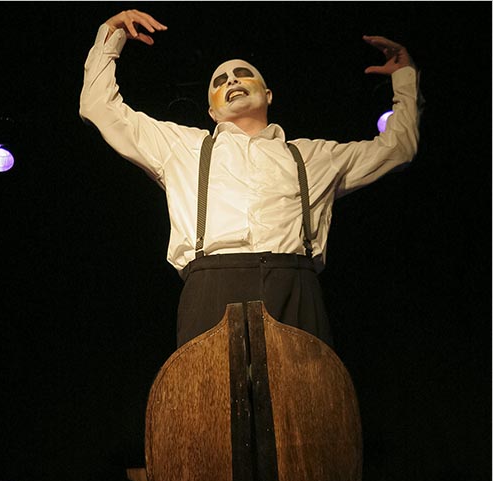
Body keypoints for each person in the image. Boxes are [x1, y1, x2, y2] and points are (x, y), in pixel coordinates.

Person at [80, 9, 422, 349]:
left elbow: (397, 149)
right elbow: (99, 108)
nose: (231, 81)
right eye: (220, 81)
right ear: (212, 112)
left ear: (268, 95)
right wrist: (112, 33)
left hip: (295, 288)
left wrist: (405, 79)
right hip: (211, 288)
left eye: (242, 74)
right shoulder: (182, 148)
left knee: (306, 386)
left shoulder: (313, 157)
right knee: (207, 386)